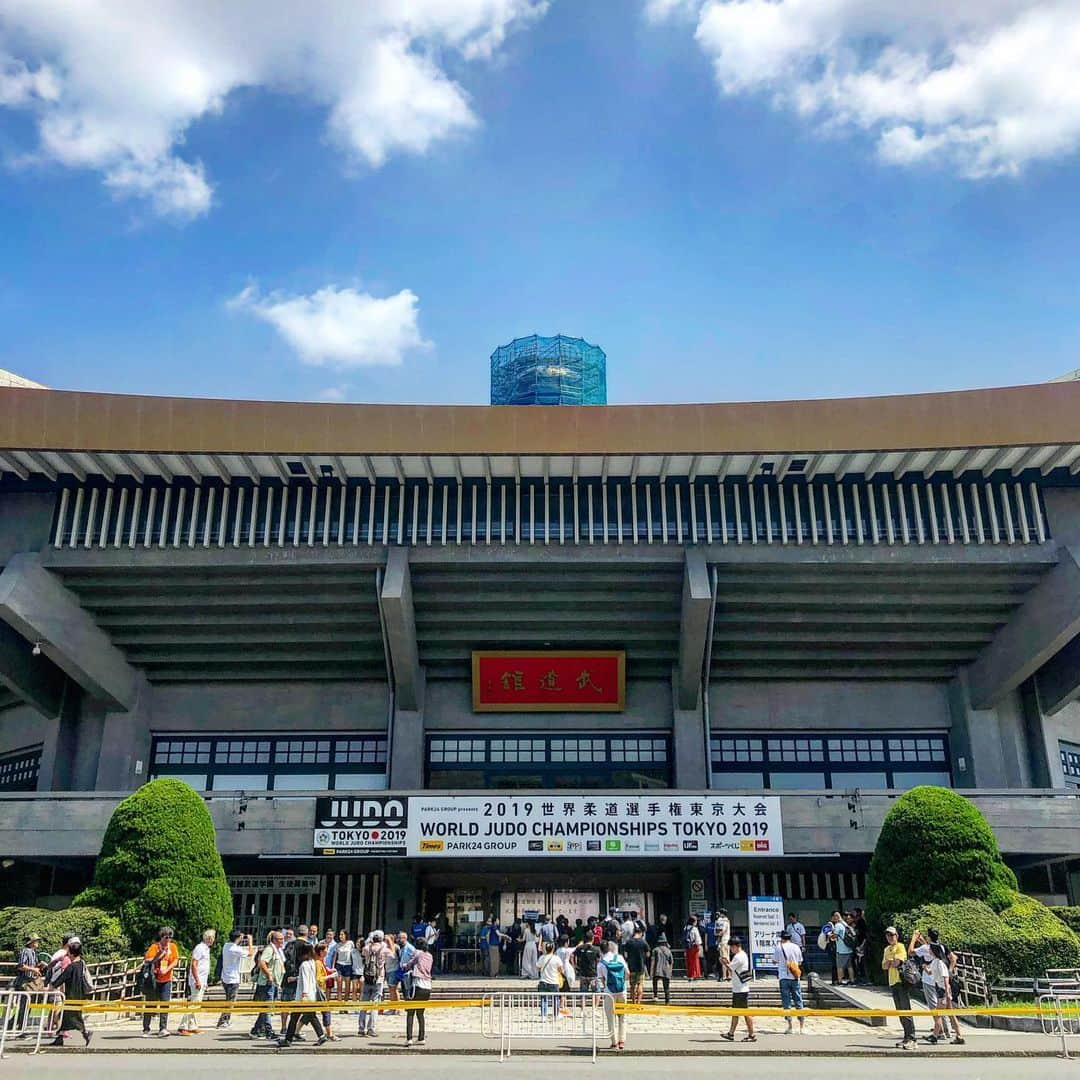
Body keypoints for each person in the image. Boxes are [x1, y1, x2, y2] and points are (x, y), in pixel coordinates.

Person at [912, 929, 965, 1045]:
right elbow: (931, 972)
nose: (928, 950)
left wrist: (947, 993)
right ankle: (958, 1036)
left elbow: (945, 978)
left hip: (944, 990)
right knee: (949, 1014)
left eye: (930, 950)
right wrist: (925, 966)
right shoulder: (935, 961)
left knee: (938, 1013)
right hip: (942, 989)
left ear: (934, 952)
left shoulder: (940, 963)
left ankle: (936, 1035)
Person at [277, 942, 327, 1047]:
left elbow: (305, 980)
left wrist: (304, 994)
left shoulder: (304, 965)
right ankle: (321, 1035)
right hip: (311, 995)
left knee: (295, 1017)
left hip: (303, 997)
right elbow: (309, 979)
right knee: (310, 1016)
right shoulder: (312, 963)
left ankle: (288, 1039)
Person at [49, 940, 94, 1047]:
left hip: (72, 994)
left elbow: (62, 977)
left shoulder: (72, 966)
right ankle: (60, 1038)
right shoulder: (81, 964)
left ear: (72, 953)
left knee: (74, 1016)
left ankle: (85, 1033)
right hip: (80, 994)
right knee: (67, 1016)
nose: (67, 954)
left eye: (68, 952)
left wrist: (53, 985)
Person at [882, 925, 916, 1050]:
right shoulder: (887, 949)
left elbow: (897, 962)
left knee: (906, 1010)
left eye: (892, 935)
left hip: (901, 981)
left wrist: (891, 961)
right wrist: (891, 961)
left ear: (897, 936)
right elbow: (884, 966)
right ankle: (906, 1037)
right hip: (892, 982)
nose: (890, 937)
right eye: (888, 935)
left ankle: (912, 1038)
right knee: (900, 1011)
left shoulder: (900, 946)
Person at [141, 926, 178, 1038]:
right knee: (150, 1004)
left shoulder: (172, 947)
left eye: (170, 938)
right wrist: (159, 955)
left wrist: (167, 969)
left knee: (165, 1003)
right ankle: (146, 1029)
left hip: (166, 979)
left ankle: (163, 1028)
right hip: (154, 979)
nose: (168, 940)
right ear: (161, 937)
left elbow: (175, 960)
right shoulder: (154, 947)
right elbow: (147, 960)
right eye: (166, 937)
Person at [178, 928, 216, 1035]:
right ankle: (183, 1026)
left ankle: (192, 1025)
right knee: (194, 1003)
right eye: (212, 937)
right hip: (197, 980)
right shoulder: (200, 948)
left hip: (202, 980)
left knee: (196, 1003)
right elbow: (194, 964)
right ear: (208, 938)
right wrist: (197, 980)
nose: (213, 940)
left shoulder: (206, 949)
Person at [250, 929, 285, 1041]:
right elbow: (262, 962)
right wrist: (269, 975)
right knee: (268, 1007)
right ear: (274, 940)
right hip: (267, 983)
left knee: (266, 1008)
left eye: (282, 939)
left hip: (274, 983)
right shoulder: (270, 949)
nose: (282, 941)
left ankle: (256, 1030)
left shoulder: (278, 950)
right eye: (280, 939)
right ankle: (269, 1031)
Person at [719, 936, 755, 1043]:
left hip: (740, 989)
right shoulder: (743, 955)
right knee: (736, 1012)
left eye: (731, 947)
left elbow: (730, 968)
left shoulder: (738, 957)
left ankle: (751, 1034)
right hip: (739, 988)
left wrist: (724, 962)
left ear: (735, 946)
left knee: (745, 1013)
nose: (731, 949)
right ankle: (731, 1033)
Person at [217, 929, 253, 1029]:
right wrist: (250, 942)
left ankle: (223, 1019)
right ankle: (224, 1021)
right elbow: (250, 953)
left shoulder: (226, 946)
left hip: (225, 977)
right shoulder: (235, 949)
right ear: (238, 938)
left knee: (228, 1000)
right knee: (231, 1002)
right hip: (232, 979)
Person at [401, 939, 433, 1047]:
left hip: (417, 985)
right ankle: (421, 1037)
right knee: (420, 1013)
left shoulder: (417, 953)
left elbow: (410, 964)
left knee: (410, 1012)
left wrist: (404, 965)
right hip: (428, 986)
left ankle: (409, 1038)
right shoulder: (430, 956)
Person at [358, 930, 390, 1036]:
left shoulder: (366, 948)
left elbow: (362, 954)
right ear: (381, 939)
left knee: (364, 1004)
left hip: (367, 978)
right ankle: (371, 1028)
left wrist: (369, 942)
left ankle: (361, 1028)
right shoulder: (384, 949)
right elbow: (393, 955)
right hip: (378, 978)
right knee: (375, 1004)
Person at [774, 929, 805, 1035]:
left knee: (786, 1002)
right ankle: (801, 1027)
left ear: (782, 938)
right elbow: (800, 961)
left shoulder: (779, 947)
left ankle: (790, 1026)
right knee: (798, 1000)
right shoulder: (796, 947)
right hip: (795, 977)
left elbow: (775, 960)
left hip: (783, 977)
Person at [599, 940, 627, 1051]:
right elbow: (627, 973)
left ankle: (614, 1042)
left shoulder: (601, 963)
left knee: (611, 1017)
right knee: (622, 1017)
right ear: (610, 948)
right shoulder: (619, 958)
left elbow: (602, 980)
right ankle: (622, 1041)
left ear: (601, 950)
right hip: (622, 990)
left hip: (609, 992)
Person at [314, 941, 340, 1041]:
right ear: (320, 951)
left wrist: (330, 971)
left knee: (309, 1014)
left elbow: (324, 971)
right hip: (318, 989)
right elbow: (318, 978)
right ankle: (329, 1033)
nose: (327, 952)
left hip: (320, 989)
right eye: (325, 950)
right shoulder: (317, 963)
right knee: (326, 1010)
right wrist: (330, 976)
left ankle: (296, 1031)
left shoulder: (321, 962)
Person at [622, 924, 650, 1005]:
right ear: (641, 933)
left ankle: (633, 1001)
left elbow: (626, 955)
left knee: (632, 985)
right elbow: (648, 954)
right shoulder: (643, 942)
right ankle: (638, 1002)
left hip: (631, 966)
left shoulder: (629, 942)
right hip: (641, 966)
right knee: (640, 984)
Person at [536, 941, 564, 1018]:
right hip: (554, 981)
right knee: (555, 999)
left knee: (543, 1000)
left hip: (543, 980)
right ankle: (556, 1014)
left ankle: (543, 1015)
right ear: (553, 949)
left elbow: (537, 968)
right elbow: (561, 969)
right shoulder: (556, 958)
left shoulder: (542, 958)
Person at [650, 934, 673, 1005]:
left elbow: (653, 961)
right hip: (666, 971)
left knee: (654, 982)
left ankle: (655, 995)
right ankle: (667, 1001)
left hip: (657, 970)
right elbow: (671, 962)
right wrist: (670, 971)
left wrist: (651, 971)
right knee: (666, 987)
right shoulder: (668, 951)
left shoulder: (655, 950)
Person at [334, 929, 356, 1005]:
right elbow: (335, 956)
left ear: (346, 935)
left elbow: (353, 954)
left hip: (348, 965)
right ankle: (339, 1003)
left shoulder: (350, 943)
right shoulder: (337, 945)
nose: (341, 936)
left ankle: (346, 1003)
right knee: (339, 984)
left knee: (347, 985)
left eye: (342, 934)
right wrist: (333, 966)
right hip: (339, 964)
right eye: (340, 934)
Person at [834, 911, 855, 986]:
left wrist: (830, 936)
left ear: (836, 917)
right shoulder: (845, 924)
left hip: (841, 950)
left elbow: (835, 936)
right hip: (849, 948)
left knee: (839, 966)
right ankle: (852, 980)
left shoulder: (838, 925)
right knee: (850, 966)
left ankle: (840, 981)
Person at [713, 909, 731, 980]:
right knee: (726, 958)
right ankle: (727, 975)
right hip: (725, 941)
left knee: (724, 958)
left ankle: (726, 975)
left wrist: (717, 933)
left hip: (723, 941)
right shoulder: (726, 921)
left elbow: (721, 931)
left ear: (723, 914)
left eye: (720, 914)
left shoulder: (724, 922)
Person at [684, 915, 703, 981]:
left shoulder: (685, 928)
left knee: (689, 961)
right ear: (693, 922)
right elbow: (698, 939)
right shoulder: (694, 929)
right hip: (694, 946)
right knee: (694, 961)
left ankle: (689, 975)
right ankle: (694, 975)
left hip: (688, 947)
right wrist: (700, 946)